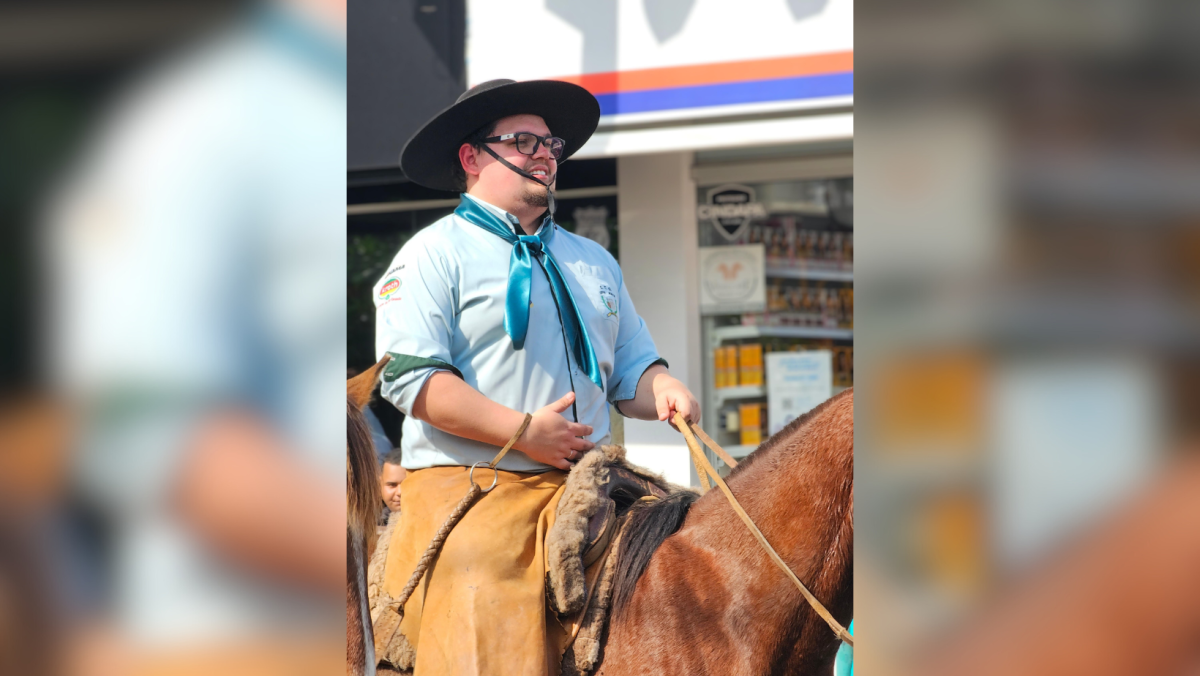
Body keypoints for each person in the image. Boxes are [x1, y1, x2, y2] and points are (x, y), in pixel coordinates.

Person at [372, 78, 701, 675]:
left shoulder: (593, 259)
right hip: (477, 486)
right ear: (472, 158)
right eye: (524, 141)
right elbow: (411, 379)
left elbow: (632, 369)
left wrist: (665, 389)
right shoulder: (430, 254)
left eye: (550, 142)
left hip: (596, 481)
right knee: (486, 596)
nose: (546, 152)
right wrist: (523, 431)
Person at [379, 448, 406, 524]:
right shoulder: (368, 526)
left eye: (406, 484)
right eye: (392, 485)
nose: (399, 492)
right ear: (380, 485)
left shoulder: (437, 525)